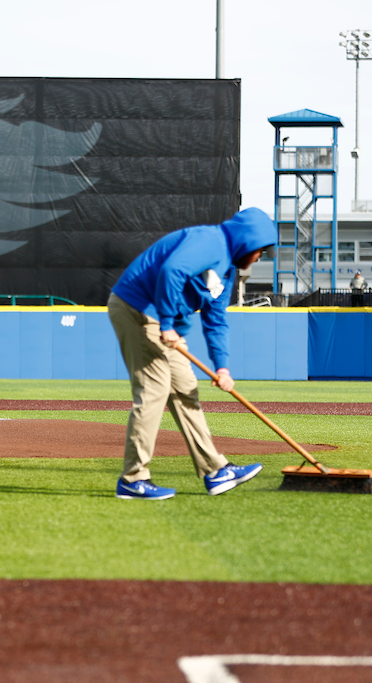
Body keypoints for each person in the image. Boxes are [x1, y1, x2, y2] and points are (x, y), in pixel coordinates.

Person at [107, 208, 275, 500]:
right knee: (153, 391)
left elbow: (216, 319)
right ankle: (133, 480)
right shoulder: (210, 241)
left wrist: (222, 368)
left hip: (164, 321)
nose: (259, 257)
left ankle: (215, 471)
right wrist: (168, 322)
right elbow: (172, 270)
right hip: (139, 310)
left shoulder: (226, 270)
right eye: (260, 250)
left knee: (186, 389)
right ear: (247, 241)